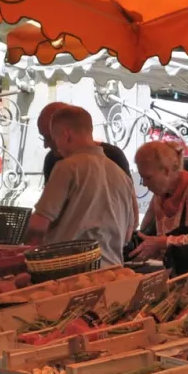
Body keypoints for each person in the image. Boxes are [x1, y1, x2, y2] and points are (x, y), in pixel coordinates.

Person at [26, 103, 138, 266]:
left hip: (72, 272)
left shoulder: (66, 167)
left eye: (52, 137)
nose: (48, 145)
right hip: (113, 271)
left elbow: (39, 225)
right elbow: (129, 232)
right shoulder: (121, 175)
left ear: (66, 135)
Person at [132, 140, 188, 275]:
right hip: (173, 273)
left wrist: (161, 242)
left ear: (166, 171)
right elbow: (165, 244)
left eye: (148, 178)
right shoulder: (160, 196)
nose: (145, 184)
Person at [38, 102, 130, 181]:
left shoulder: (113, 156)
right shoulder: (51, 160)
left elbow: (130, 199)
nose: (45, 145)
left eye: (48, 137)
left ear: (66, 133)